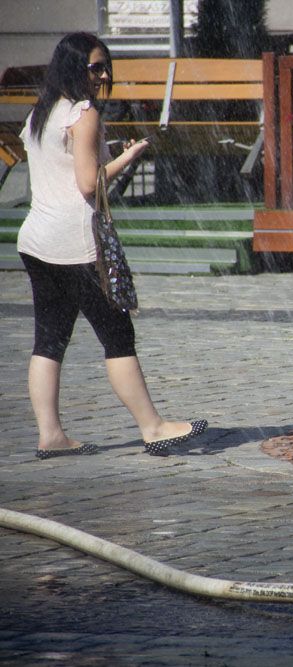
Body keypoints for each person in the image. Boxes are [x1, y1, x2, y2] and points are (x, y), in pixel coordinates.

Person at [18, 32, 206, 459]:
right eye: (95, 67)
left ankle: (51, 435)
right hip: (75, 242)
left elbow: (65, 169)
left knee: (49, 338)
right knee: (117, 334)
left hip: (35, 239)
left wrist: (105, 154)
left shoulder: (41, 113)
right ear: (73, 67)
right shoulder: (84, 113)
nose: (103, 76)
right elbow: (89, 184)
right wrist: (128, 156)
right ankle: (154, 427)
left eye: (106, 67)